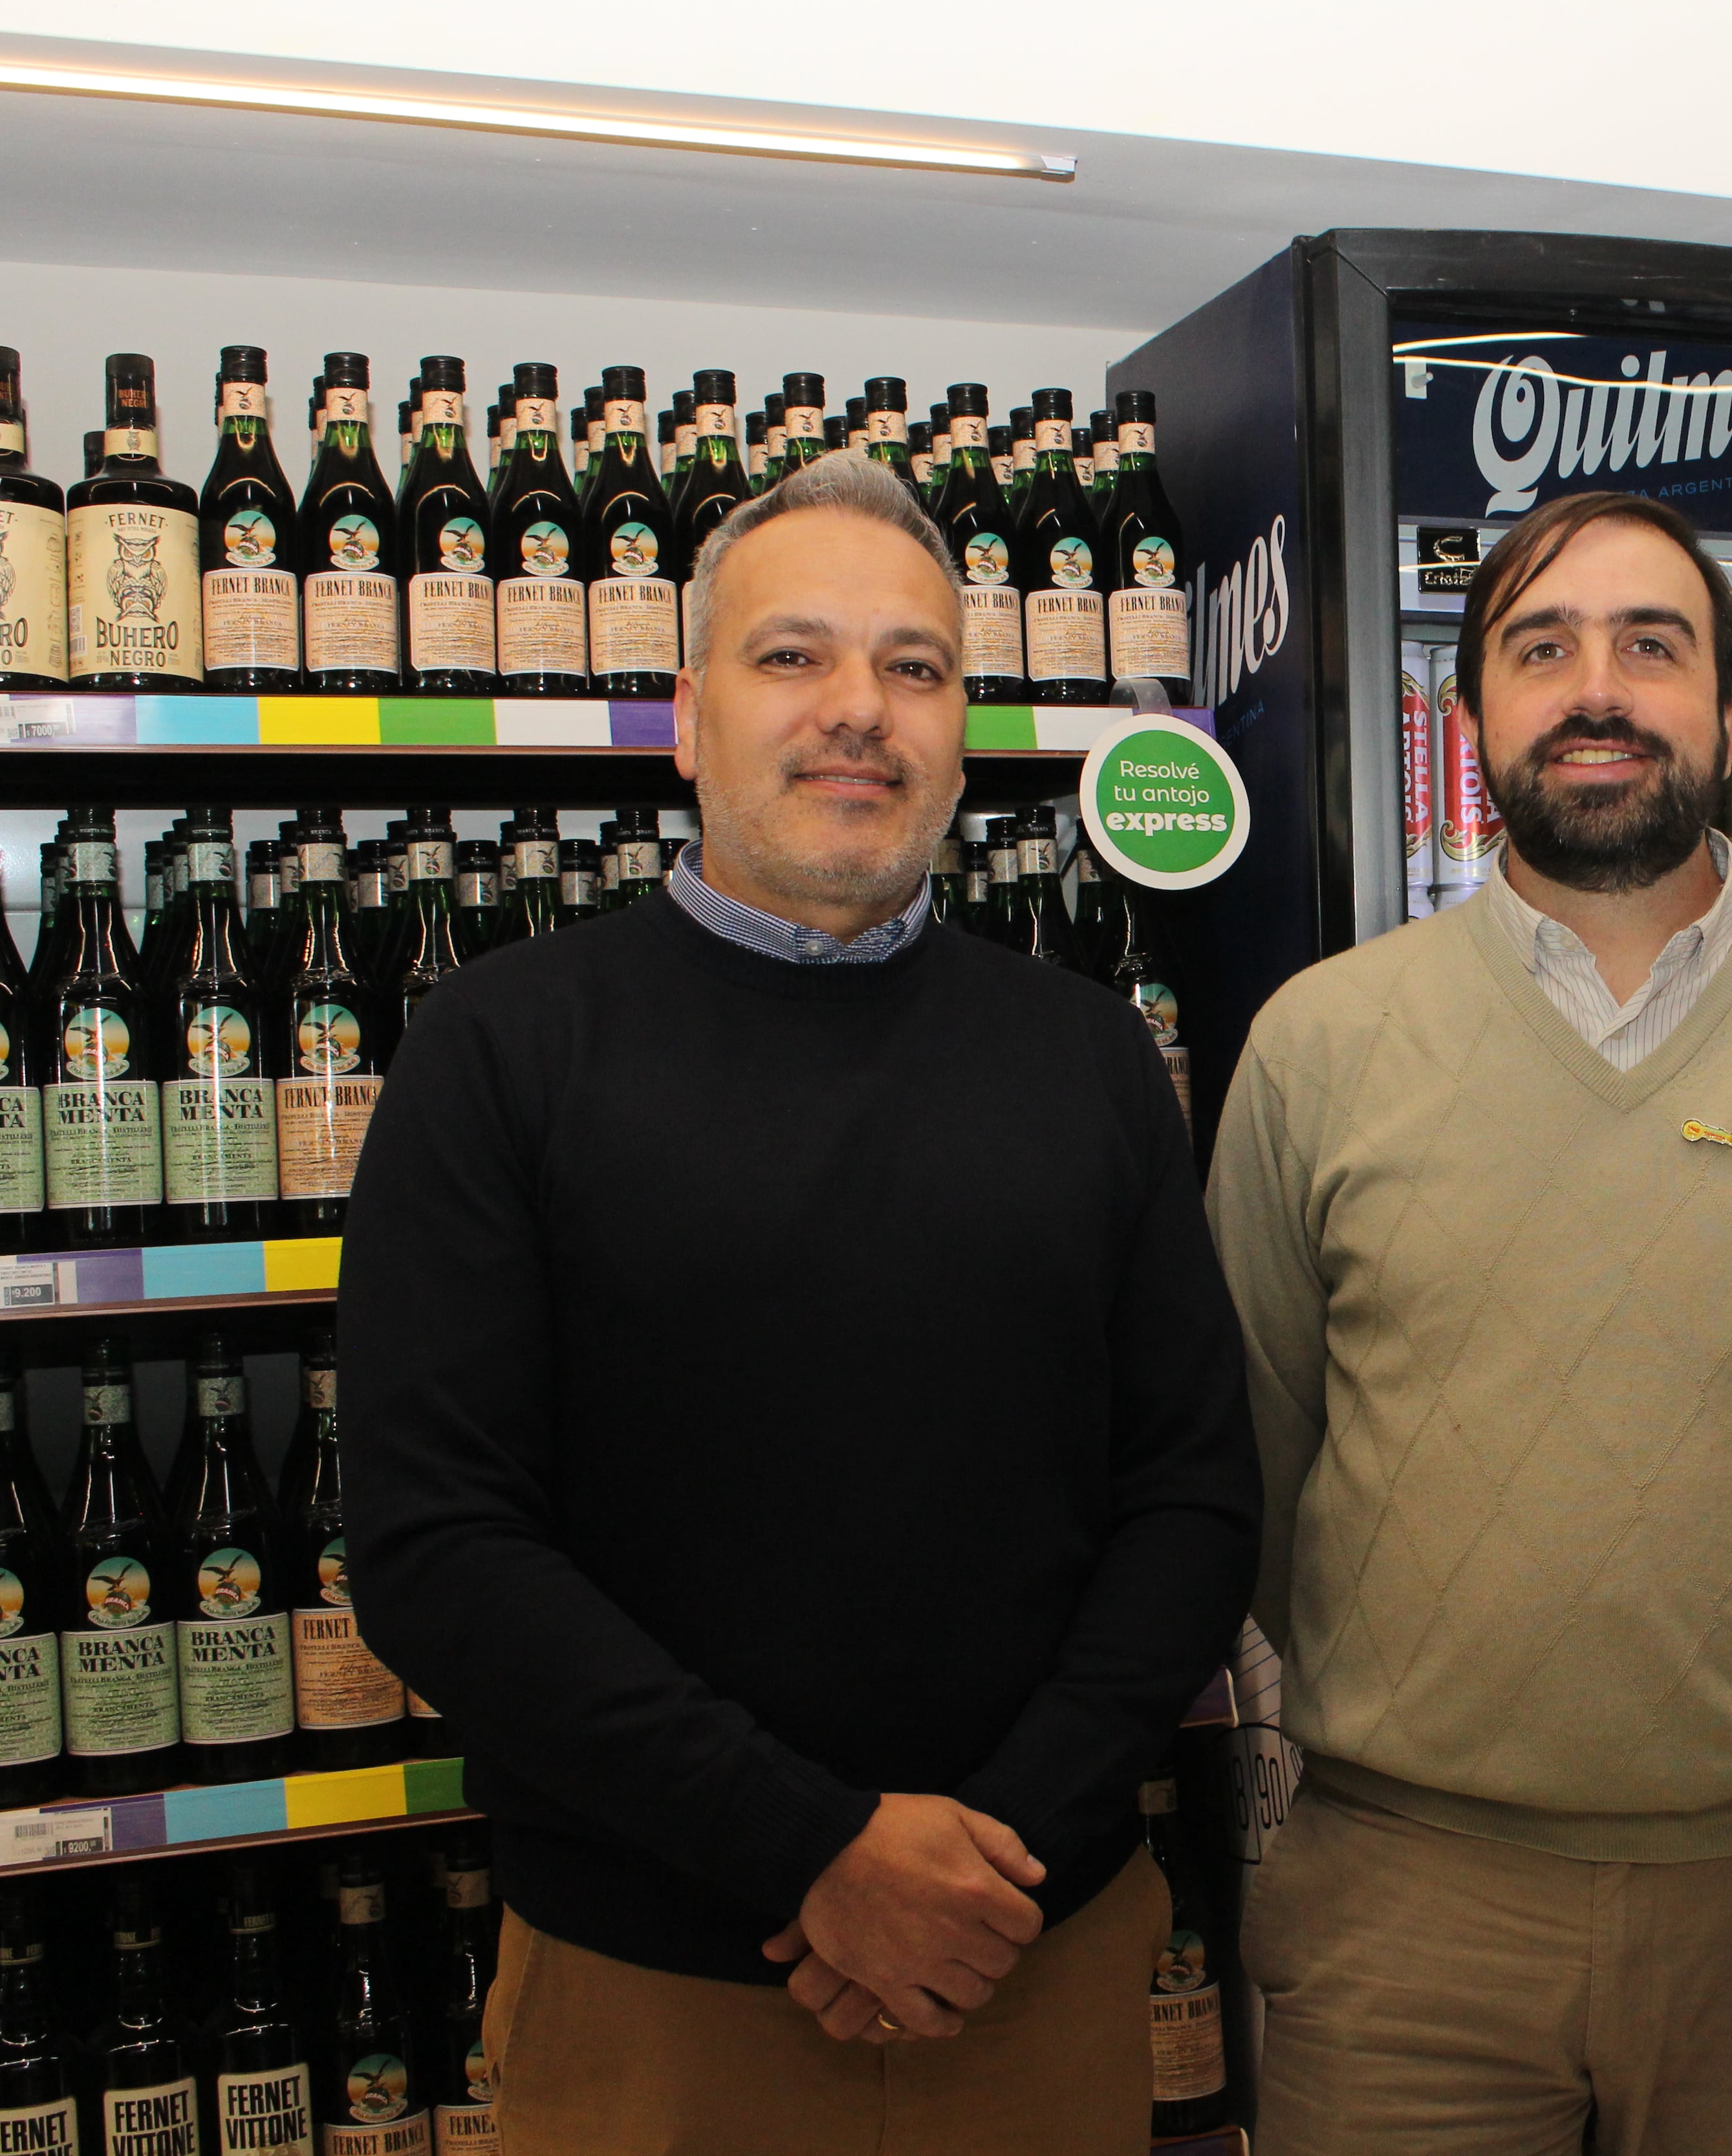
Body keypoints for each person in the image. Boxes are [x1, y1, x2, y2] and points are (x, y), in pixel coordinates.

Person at [341, 450, 1260, 2156]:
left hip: (1033, 1961)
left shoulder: (1088, 1060)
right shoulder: (500, 1048)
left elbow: (1194, 1499)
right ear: (688, 717)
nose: (861, 709)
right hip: (660, 1994)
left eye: (914, 667)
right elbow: (435, 1549)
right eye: (795, 657)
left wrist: (989, 1855)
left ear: (961, 728)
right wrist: (814, 1855)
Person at [1204, 489, 1732, 2156]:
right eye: (1542, 648)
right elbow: (1253, 1454)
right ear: (1474, 720)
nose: (1598, 688)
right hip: (1404, 1909)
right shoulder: (1318, 1044)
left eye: (1652, 647)